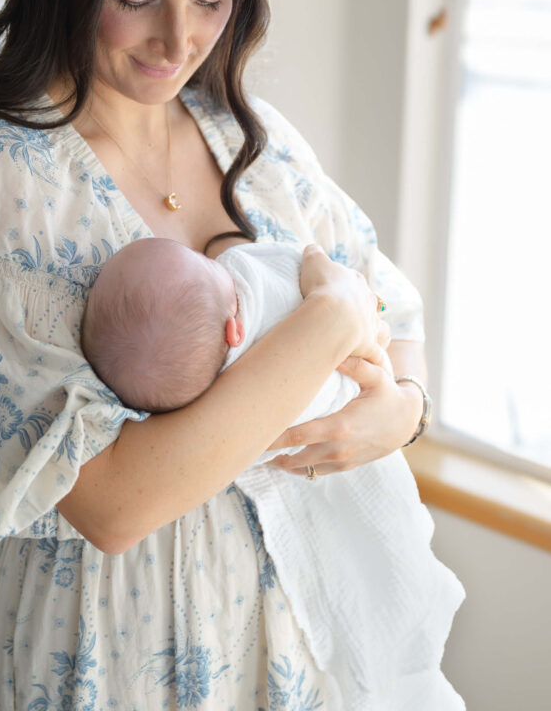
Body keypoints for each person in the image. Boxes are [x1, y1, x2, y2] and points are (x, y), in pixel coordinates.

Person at [0, 0, 465, 709]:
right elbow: (114, 505)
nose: (177, 40)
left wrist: (401, 410)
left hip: (295, 643)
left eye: (210, 1)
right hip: (122, 648)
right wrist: (324, 326)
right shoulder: (7, 173)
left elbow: (390, 309)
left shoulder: (247, 137)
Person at [80, 234, 465, 705]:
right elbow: (111, 511)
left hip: (269, 649)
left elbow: (398, 316)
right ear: (235, 332)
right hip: (162, 646)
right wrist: (338, 317)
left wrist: (409, 408)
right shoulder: (259, 287)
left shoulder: (290, 182)